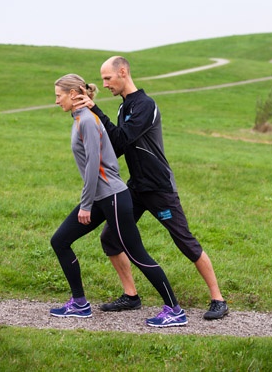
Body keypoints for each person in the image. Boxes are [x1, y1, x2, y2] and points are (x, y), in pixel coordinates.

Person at [72, 57, 229, 320]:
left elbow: (122, 138)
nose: (104, 84)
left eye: (108, 78)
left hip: (159, 188)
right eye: (102, 80)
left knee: (185, 241)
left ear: (123, 73)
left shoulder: (145, 105)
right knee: (110, 238)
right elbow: (119, 148)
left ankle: (218, 299)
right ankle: (131, 296)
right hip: (135, 187)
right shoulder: (125, 108)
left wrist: (96, 110)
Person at [49, 73, 188, 327]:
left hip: (112, 197)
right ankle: (79, 304)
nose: (56, 101)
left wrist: (86, 204)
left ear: (73, 94)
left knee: (137, 253)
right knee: (60, 241)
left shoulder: (87, 121)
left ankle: (175, 310)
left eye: (59, 96)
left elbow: (94, 166)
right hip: (104, 197)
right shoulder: (79, 117)